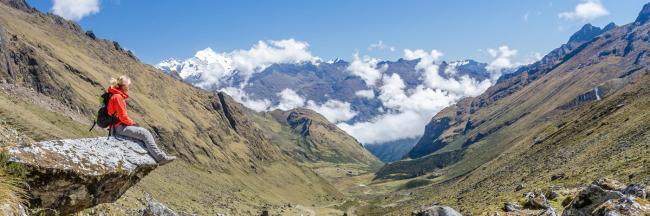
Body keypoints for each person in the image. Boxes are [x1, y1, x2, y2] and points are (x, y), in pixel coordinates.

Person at [107, 75, 177, 165]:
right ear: (124, 86)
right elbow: (123, 117)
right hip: (119, 127)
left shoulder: (114, 95)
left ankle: (158, 155)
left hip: (115, 126)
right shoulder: (118, 97)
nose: (129, 87)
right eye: (128, 85)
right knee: (145, 133)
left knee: (142, 132)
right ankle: (160, 158)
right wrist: (133, 123)